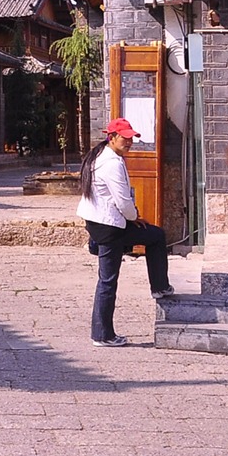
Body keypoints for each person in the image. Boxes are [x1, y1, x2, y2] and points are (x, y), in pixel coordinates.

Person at [76, 117, 173, 347]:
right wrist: (134, 217)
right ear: (112, 137)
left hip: (99, 222)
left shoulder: (102, 156)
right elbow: (123, 200)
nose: (129, 142)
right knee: (108, 280)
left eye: (131, 138)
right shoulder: (111, 163)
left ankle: (158, 286)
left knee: (151, 236)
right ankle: (103, 334)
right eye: (125, 138)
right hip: (109, 225)